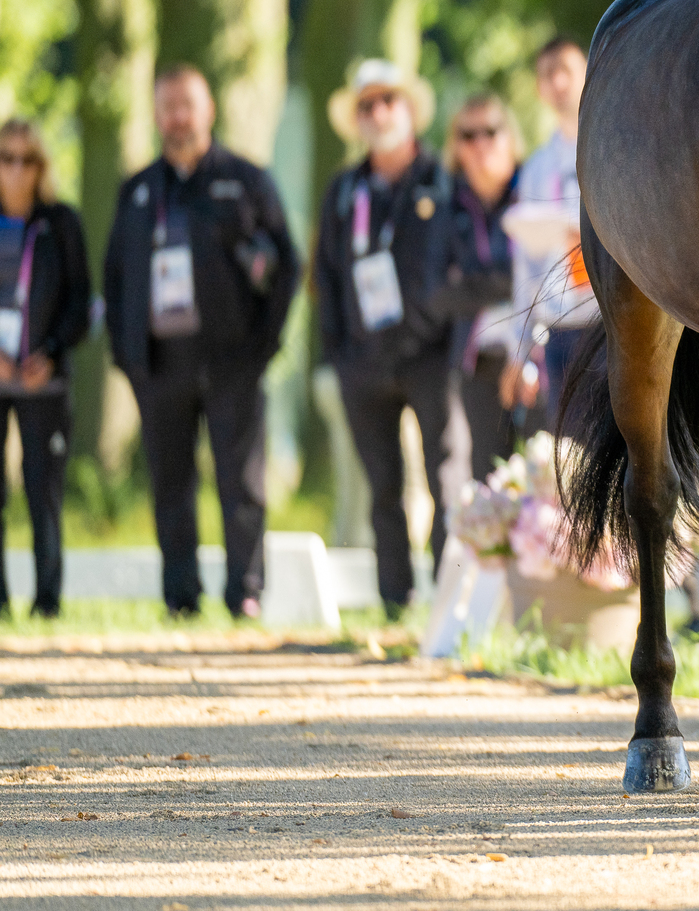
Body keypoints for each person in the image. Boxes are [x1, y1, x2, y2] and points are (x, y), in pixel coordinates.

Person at [103, 66, 299, 619]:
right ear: (156, 114)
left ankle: (245, 592)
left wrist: (263, 345)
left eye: (187, 105)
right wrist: (128, 358)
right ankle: (180, 597)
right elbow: (115, 278)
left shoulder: (246, 180)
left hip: (231, 359)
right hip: (160, 363)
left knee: (241, 484)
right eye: (167, 107)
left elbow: (287, 265)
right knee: (170, 485)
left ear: (208, 109)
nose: (178, 118)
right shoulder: (138, 191)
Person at [316, 60, 458, 615]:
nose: (378, 113)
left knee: (444, 479)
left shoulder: (441, 178)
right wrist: (339, 354)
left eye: (387, 101)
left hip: (431, 356)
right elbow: (324, 274)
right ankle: (394, 599)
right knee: (382, 489)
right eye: (366, 105)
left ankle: (446, 603)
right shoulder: (344, 190)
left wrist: (433, 329)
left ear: (409, 109)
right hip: (363, 361)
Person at [0, 119, 91, 618]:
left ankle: (47, 602)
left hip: (44, 381)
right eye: (5, 158)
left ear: (41, 167)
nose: (15, 170)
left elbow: (81, 301)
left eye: (25, 159)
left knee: (43, 492)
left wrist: (51, 352)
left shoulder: (61, 224)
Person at [502, 37, 597, 407]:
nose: (558, 82)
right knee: (570, 457)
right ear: (539, 89)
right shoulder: (536, 170)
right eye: (547, 74)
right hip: (560, 331)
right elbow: (525, 267)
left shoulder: (616, 150)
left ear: (588, 74)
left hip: (613, 324)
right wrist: (518, 349)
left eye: (566, 71)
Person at [436, 93, 522, 484]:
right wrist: (508, 278)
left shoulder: (534, 184)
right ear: (456, 146)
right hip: (478, 363)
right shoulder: (444, 204)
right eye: (468, 134)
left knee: (554, 482)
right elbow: (437, 290)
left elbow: (553, 271)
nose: (480, 143)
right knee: (489, 488)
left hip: (539, 355)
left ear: (510, 136)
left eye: (490, 130)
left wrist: (474, 279)